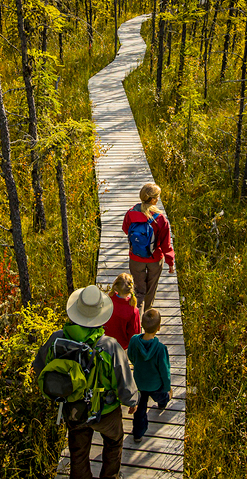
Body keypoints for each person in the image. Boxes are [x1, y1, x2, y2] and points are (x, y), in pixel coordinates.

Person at [32, 285, 138, 479]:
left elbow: (39, 367)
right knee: (114, 442)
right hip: (106, 411)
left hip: (73, 407)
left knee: (78, 452)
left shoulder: (57, 339)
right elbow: (124, 380)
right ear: (100, 315)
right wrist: (131, 402)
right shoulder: (109, 346)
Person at [122, 182, 175, 311]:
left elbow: (125, 229)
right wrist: (170, 262)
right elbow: (165, 244)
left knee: (139, 290)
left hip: (135, 258)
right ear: (152, 200)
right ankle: (147, 315)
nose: (158, 199)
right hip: (155, 259)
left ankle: (137, 317)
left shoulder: (131, 213)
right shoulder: (160, 219)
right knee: (151, 289)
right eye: (157, 197)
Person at [126, 308, 171, 443]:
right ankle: (162, 403)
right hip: (155, 384)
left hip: (139, 382)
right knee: (162, 396)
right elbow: (164, 370)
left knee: (140, 410)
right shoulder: (160, 349)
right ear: (158, 327)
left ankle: (138, 434)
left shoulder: (134, 341)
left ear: (142, 325)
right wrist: (168, 387)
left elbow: (131, 356)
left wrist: (136, 363)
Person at [103, 273, 141, 350]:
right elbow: (134, 332)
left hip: (104, 341)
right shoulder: (133, 310)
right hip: (121, 346)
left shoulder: (107, 300)